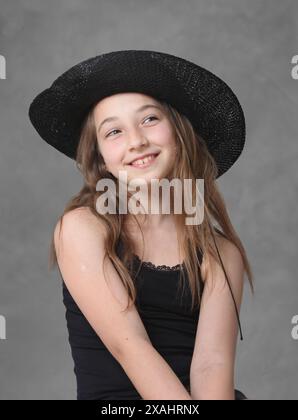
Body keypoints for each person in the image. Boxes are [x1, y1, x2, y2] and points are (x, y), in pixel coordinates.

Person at [28, 50, 253, 400]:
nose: (136, 141)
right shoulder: (84, 229)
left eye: (149, 119)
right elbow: (130, 348)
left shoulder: (221, 255)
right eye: (114, 131)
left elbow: (213, 365)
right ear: (100, 158)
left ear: (180, 133)